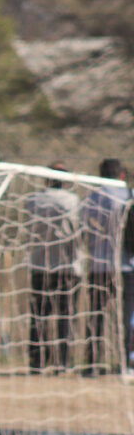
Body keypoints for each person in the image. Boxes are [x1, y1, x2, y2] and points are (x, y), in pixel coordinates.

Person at [25, 162, 80, 374]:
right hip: (66, 266)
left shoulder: (32, 200)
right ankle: (62, 362)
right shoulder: (72, 201)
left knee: (39, 314)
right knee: (65, 314)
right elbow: (76, 232)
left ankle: (36, 362)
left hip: (39, 263)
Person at [81, 158, 133, 375]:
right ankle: (127, 361)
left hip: (99, 265)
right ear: (121, 174)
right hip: (128, 265)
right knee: (128, 315)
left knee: (96, 313)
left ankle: (92, 362)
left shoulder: (92, 197)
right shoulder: (129, 196)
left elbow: (82, 226)